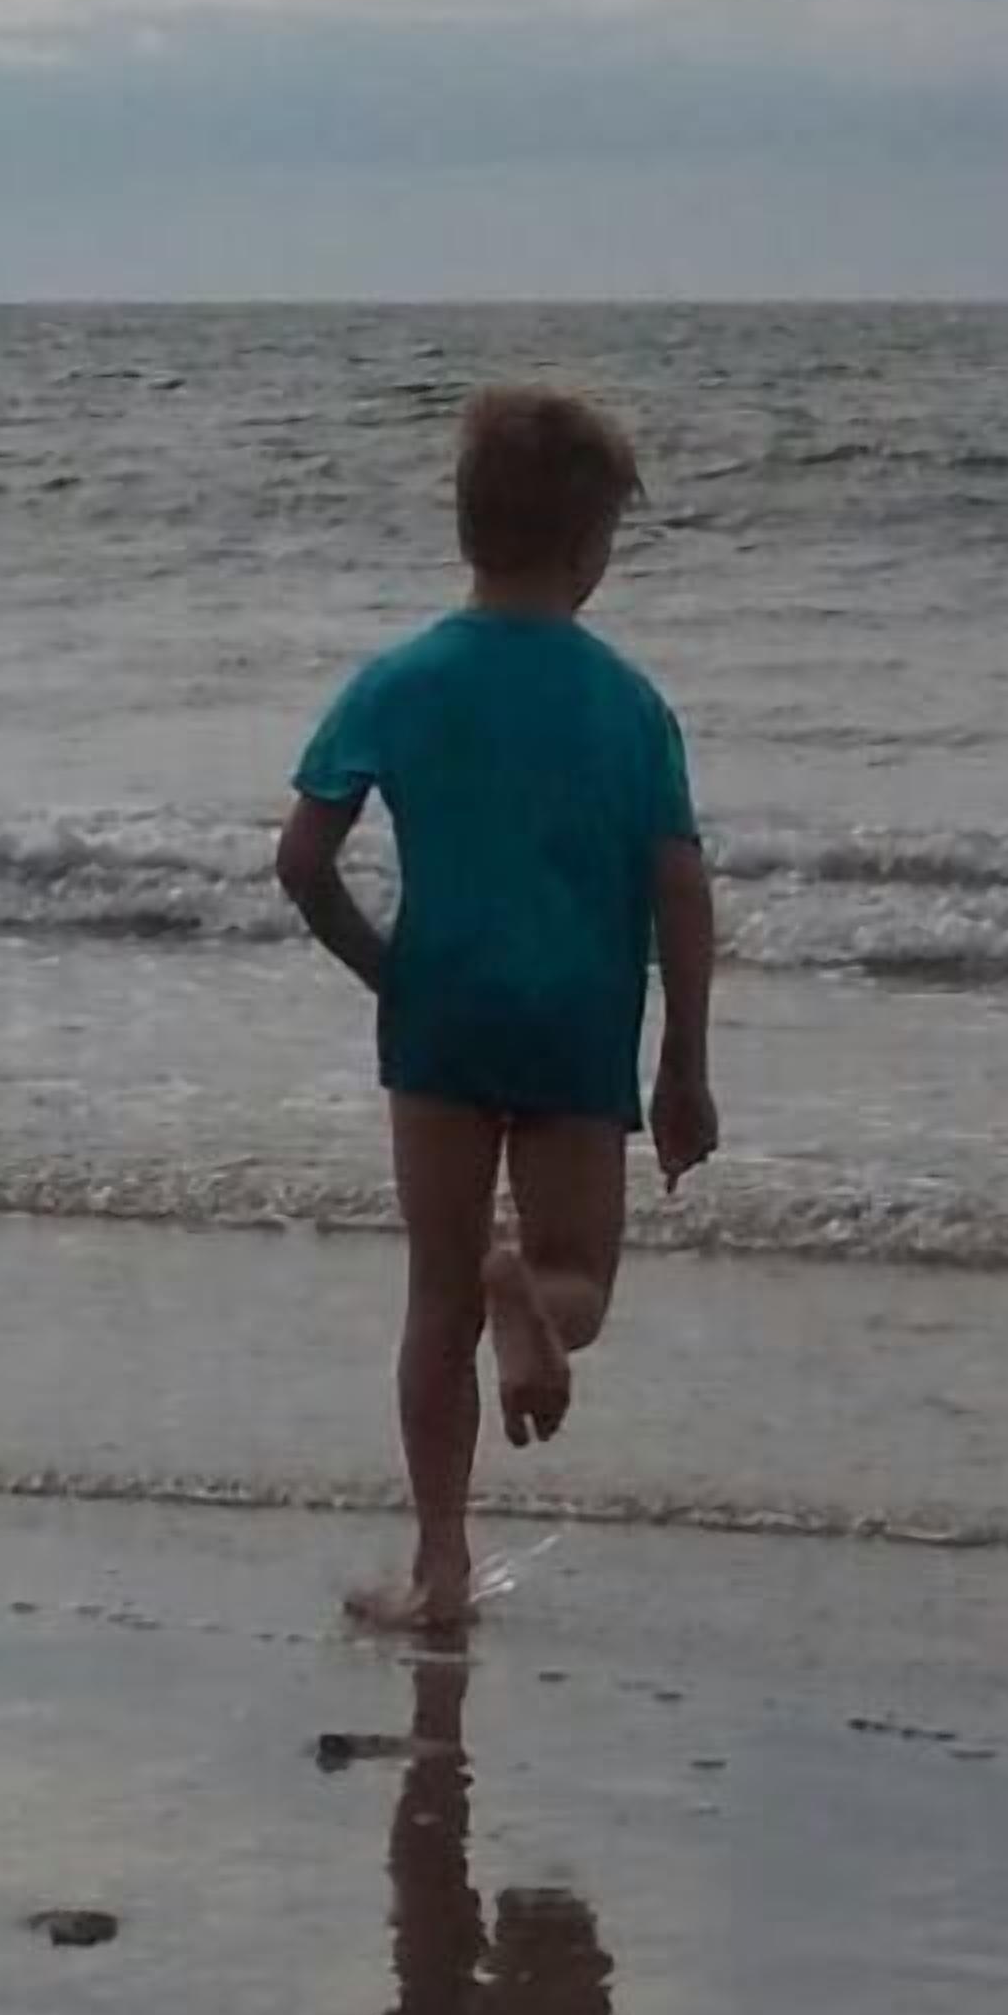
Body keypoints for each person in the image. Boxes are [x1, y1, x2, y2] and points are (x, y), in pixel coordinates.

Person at [276, 379, 717, 1636]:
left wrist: (384, 968)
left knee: (434, 1295)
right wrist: (685, 1060)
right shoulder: (629, 704)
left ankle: (441, 1564)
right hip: (577, 1024)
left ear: (470, 527)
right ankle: (540, 1300)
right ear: (589, 546)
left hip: (442, 1021)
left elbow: (302, 860)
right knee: (580, 1271)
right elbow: (679, 894)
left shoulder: (399, 680)